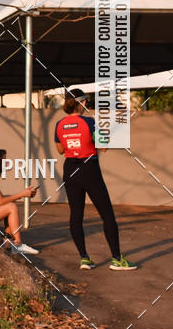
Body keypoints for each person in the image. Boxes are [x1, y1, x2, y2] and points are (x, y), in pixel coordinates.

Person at [54, 88, 137, 271]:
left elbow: (60, 150)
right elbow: (103, 147)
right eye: (86, 101)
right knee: (107, 214)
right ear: (82, 103)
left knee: (76, 214)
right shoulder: (89, 122)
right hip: (89, 169)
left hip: (70, 169)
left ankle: (84, 258)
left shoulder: (59, 124)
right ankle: (117, 259)